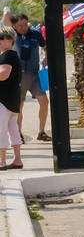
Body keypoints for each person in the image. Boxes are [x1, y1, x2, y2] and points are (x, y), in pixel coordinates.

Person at [1, 10, 49, 141]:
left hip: (34, 75)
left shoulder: (35, 34)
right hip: (19, 76)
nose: (23, 28)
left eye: (25, 25)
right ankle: (19, 134)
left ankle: (41, 132)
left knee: (44, 101)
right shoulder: (12, 35)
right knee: (19, 106)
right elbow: (5, 22)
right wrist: (7, 12)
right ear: (15, 26)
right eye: (20, 25)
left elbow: (46, 47)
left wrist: (46, 57)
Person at [0, 25, 23, 169]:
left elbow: (4, 74)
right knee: (13, 128)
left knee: (1, 129)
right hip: (13, 99)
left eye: (2, 38)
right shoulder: (14, 55)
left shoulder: (7, 55)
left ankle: (1, 161)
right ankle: (17, 159)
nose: (0, 41)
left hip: (3, 99)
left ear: (11, 40)